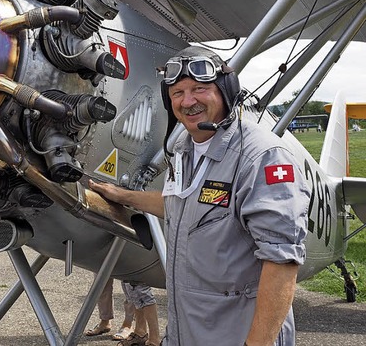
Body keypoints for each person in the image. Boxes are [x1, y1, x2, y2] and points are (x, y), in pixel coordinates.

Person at [90, 45, 310, 346]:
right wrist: (123, 195)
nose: (188, 101)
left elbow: (281, 263)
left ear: (225, 91)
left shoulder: (264, 156)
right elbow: (181, 205)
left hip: (239, 336)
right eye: (177, 93)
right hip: (188, 331)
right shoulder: (185, 150)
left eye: (199, 89)